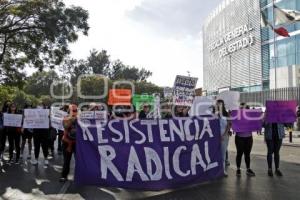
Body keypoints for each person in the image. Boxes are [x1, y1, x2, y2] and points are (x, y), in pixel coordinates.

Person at [235, 103, 255, 177]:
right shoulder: (237, 116)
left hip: (248, 137)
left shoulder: (250, 116)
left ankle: (248, 169)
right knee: (239, 154)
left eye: (245, 108)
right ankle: (238, 169)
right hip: (239, 137)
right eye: (241, 108)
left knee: (247, 154)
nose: (243, 109)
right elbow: (233, 125)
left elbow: (255, 125)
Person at [60, 104, 78, 182]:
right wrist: (72, 118)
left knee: (79, 160)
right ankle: (64, 175)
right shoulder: (65, 119)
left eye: (76, 110)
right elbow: (66, 126)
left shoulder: (80, 119)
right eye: (72, 110)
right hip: (67, 142)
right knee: (66, 160)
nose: (74, 112)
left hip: (77, 143)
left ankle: (79, 175)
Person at [213, 99, 231, 177]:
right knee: (214, 154)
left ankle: (222, 170)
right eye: (217, 104)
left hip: (224, 137)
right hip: (214, 137)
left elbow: (229, 125)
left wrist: (223, 135)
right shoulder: (213, 114)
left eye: (220, 104)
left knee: (223, 154)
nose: (218, 106)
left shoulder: (226, 114)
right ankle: (215, 171)